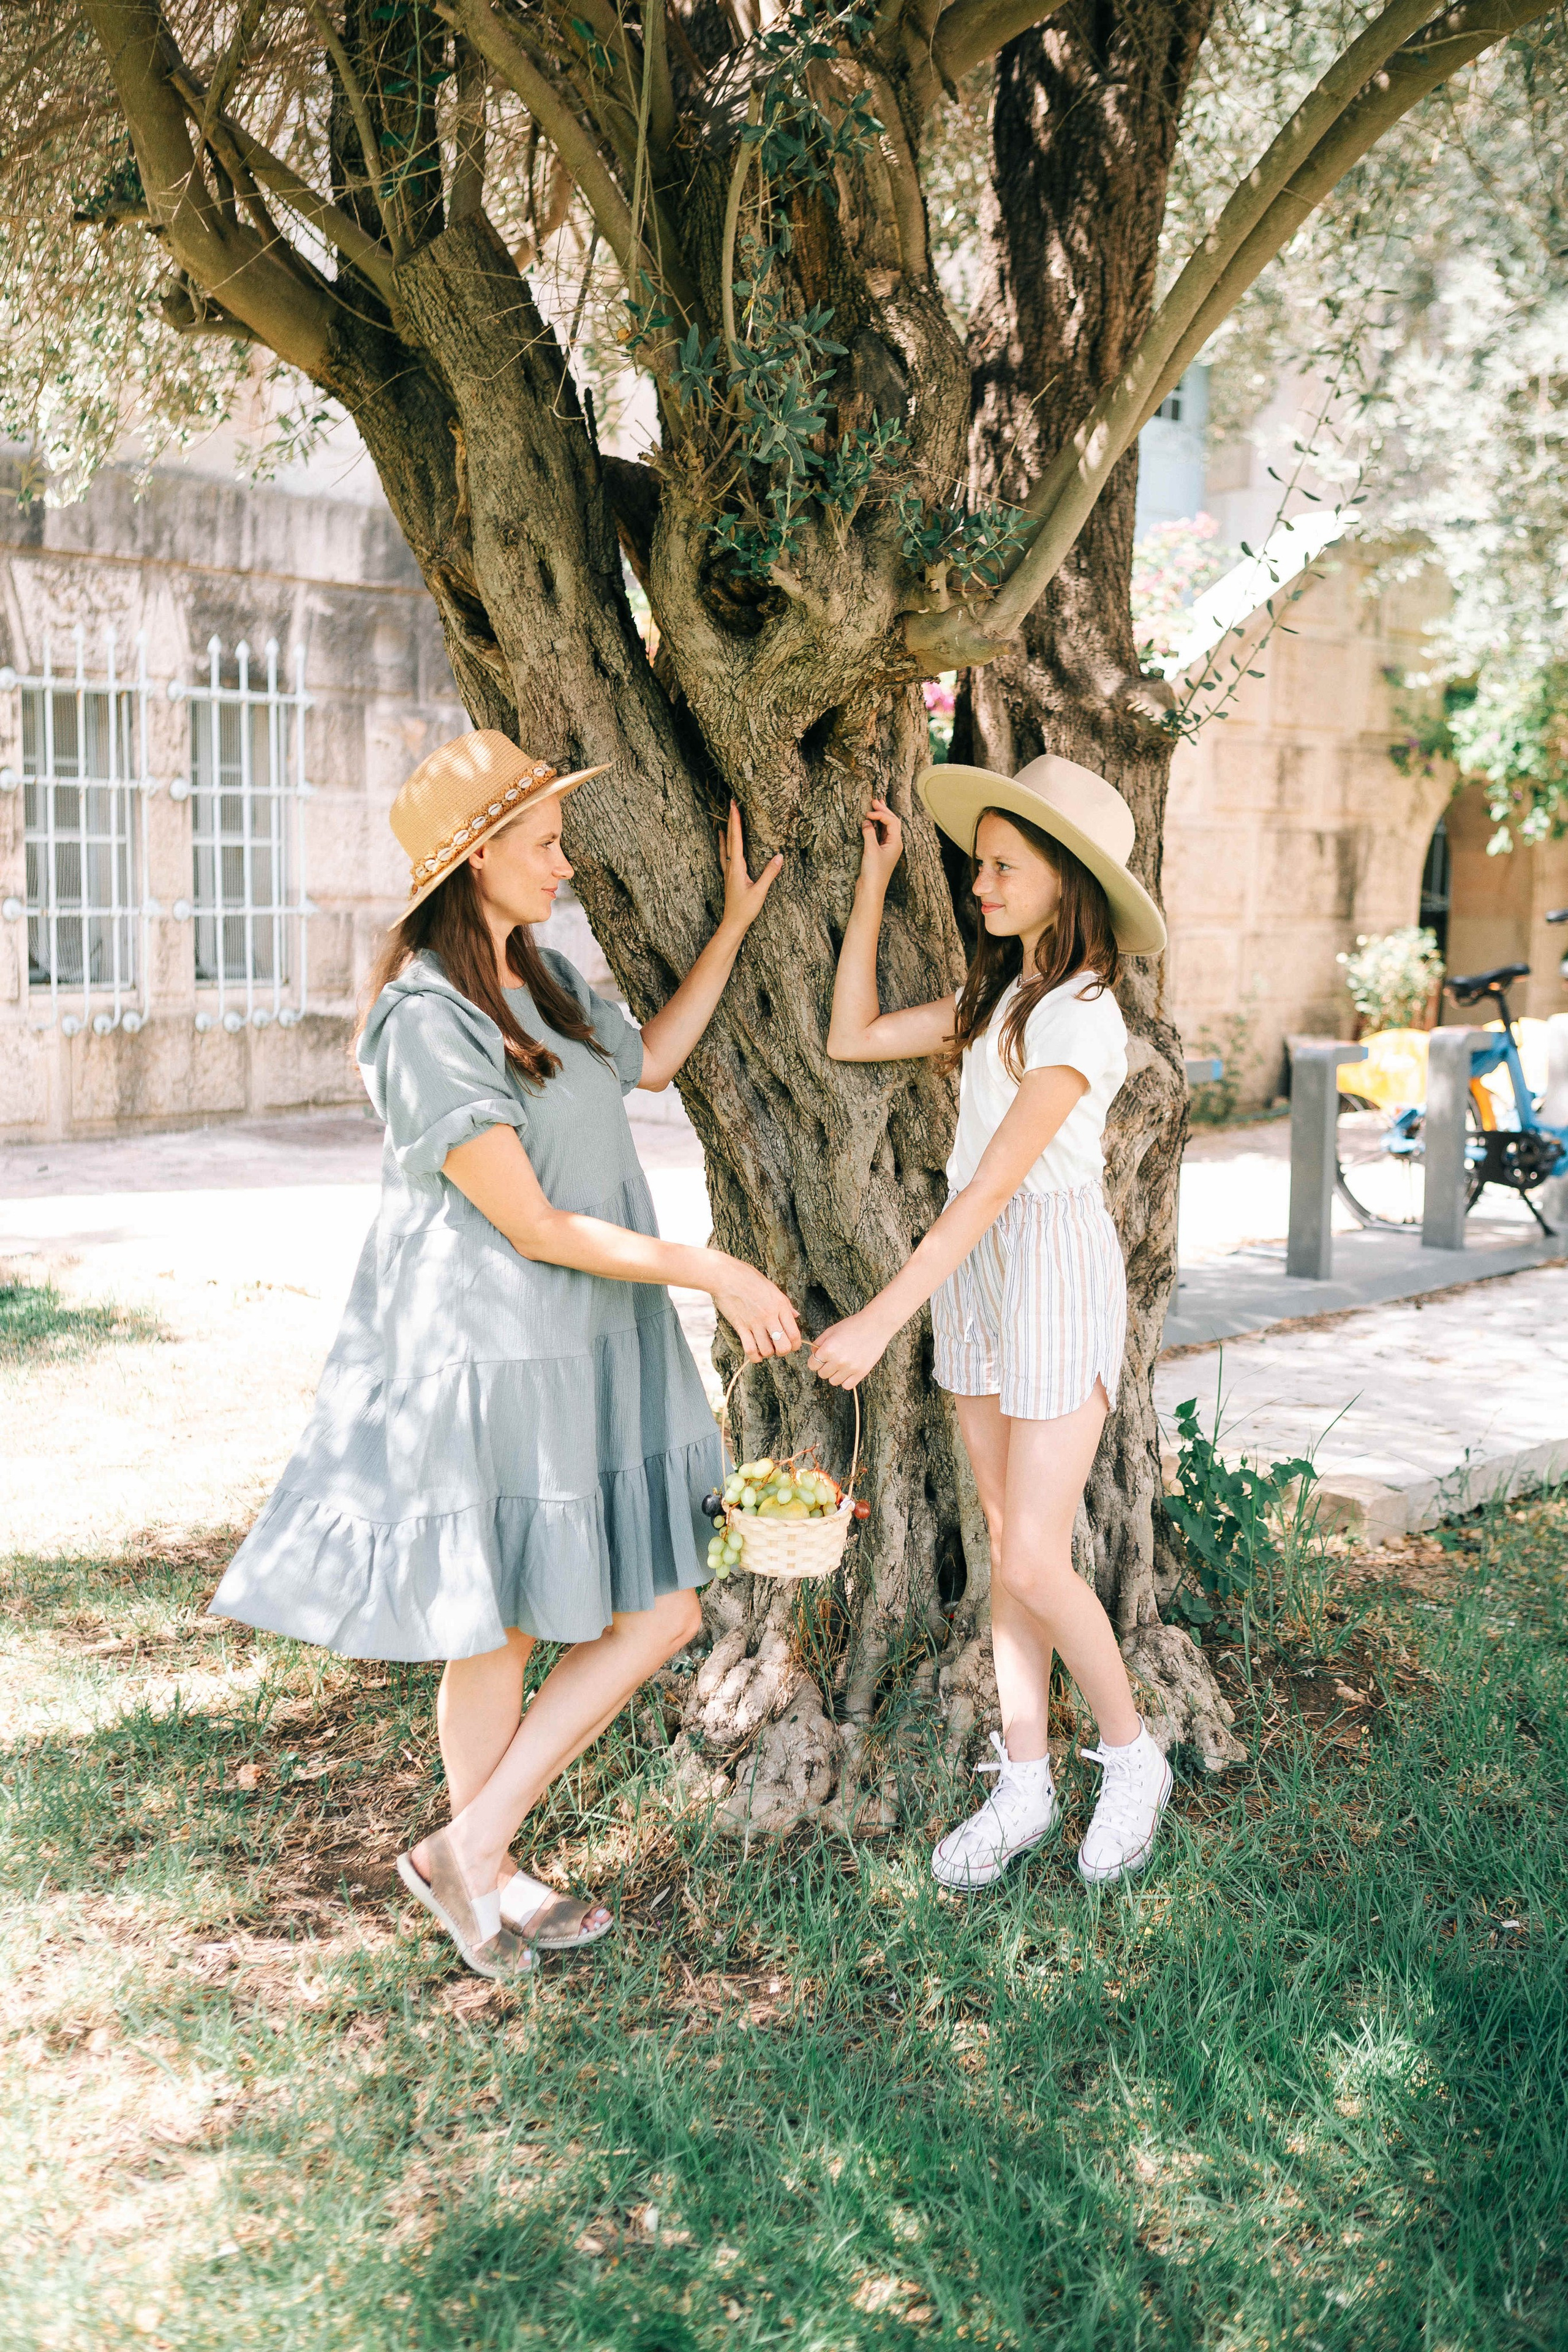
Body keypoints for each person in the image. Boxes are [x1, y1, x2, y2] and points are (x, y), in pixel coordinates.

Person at [210, 731, 799, 1978]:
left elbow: (658, 1059)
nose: (563, 859)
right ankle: (486, 1869)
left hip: (585, 1333)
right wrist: (709, 1266)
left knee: (660, 1611)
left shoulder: (552, 979)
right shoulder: (422, 1016)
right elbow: (526, 1222)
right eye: (541, 841)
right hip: (495, 1346)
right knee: (505, 1629)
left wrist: (738, 920)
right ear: (475, 858)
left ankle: (468, 1848)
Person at [810, 752, 1172, 1890]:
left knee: (1030, 1548)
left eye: (1004, 867)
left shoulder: (1083, 1014)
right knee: (1009, 1550)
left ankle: (1132, 1758)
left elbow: (991, 1191)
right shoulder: (1001, 1000)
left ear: (1067, 878)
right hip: (979, 1278)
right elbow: (850, 1034)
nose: (980, 883)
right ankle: (1025, 1780)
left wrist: (877, 1320)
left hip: (1050, 1267)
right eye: (979, 865)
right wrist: (876, 883)